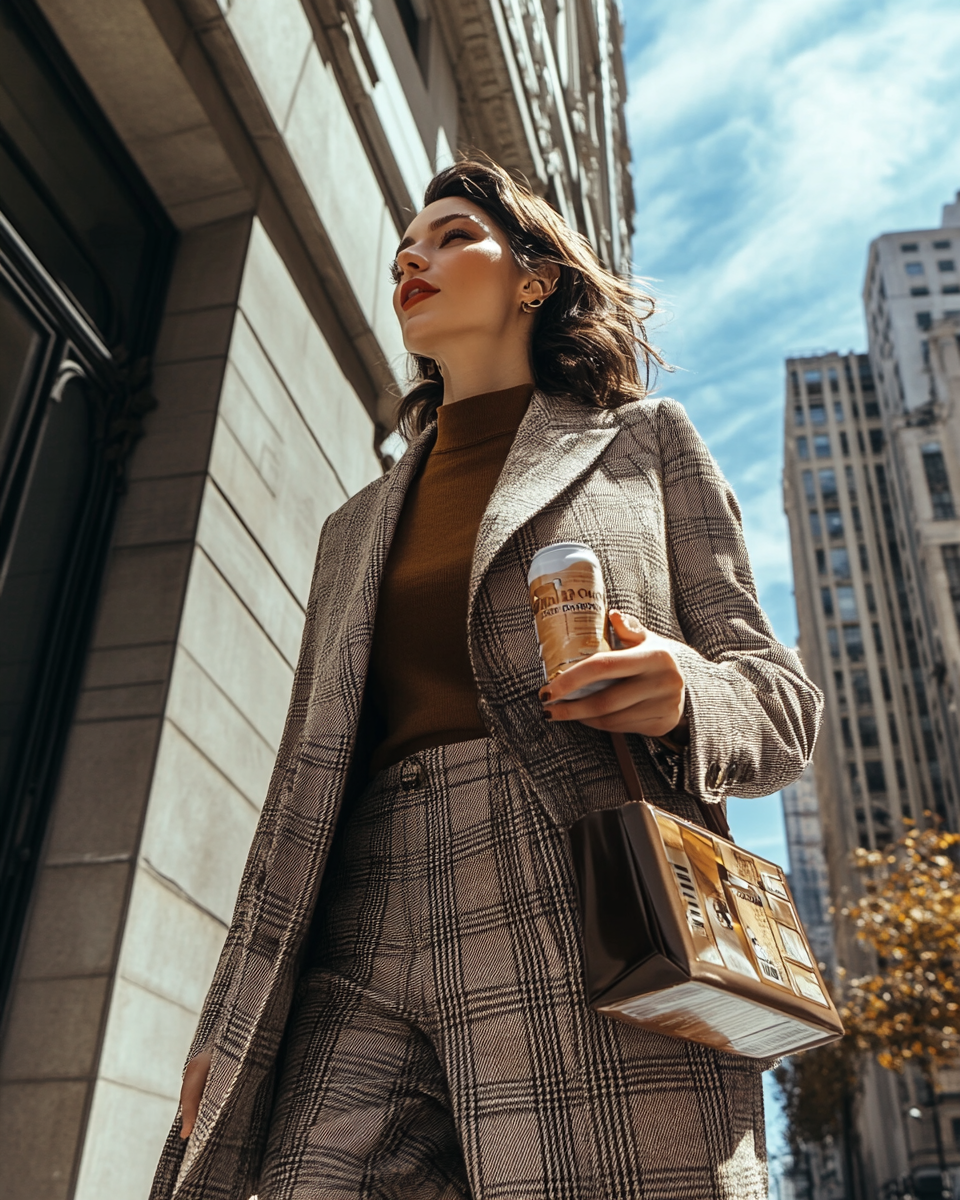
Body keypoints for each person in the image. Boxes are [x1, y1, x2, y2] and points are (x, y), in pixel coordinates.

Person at [151, 159, 821, 1200]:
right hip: (356, 906)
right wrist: (226, 1027)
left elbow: (780, 700)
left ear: (534, 279)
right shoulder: (353, 528)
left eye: (453, 234)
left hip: (574, 884)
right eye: (404, 249)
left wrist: (680, 686)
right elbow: (297, 782)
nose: (413, 257)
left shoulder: (644, 448)